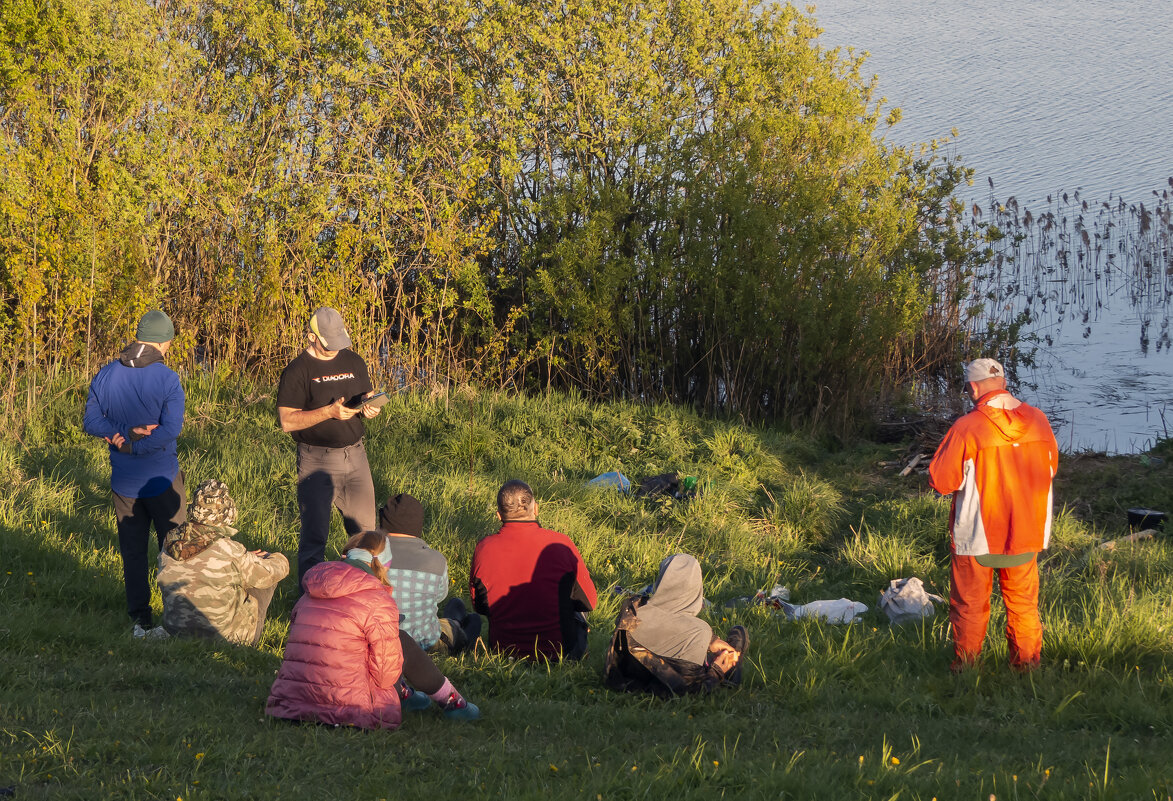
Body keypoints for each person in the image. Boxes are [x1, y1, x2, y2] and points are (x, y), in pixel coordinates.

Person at [266, 531, 479, 728]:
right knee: (400, 640)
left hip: (291, 704)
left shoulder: (309, 593)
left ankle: (406, 694)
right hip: (353, 711)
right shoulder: (377, 601)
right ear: (383, 566)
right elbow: (386, 674)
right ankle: (452, 702)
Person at [928, 358, 1059, 672]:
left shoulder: (967, 426)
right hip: (1027, 531)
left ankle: (967, 668)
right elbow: (1052, 469)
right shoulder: (1039, 420)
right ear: (1002, 381)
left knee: (970, 604)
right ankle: (1027, 666)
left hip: (977, 535)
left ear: (973, 388)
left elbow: (941, 481)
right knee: (1023, 604)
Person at [83, 309, 186, 638]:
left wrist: (121, 435)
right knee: (174, 549)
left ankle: (140, 620)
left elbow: (91, 421)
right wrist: (136, 443)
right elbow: (171, 429)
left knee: (133, 552)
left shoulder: (106, 374)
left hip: (124, 483)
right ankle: (178, 616)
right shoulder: (168, 378)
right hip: (163, 479)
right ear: (164, 342)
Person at [275, 307, 383, 586]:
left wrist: (369, 407)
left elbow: (364, 396)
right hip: (316, 461)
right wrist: (328, 413)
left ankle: (368, 596)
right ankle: (307, 605)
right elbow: (287, 421)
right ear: (312, 337)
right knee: (314, 538)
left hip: (356, 455)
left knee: (367, 535)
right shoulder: (297, 371)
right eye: (328, 344)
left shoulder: (354, 360)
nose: (335, 350)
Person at [470, 479, 597, 661]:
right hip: (560, 652)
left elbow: (480, 606)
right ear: (535, 508)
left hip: (503, 651)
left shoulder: (483, 547)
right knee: (576, 599)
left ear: (499, 515)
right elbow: (589, 602)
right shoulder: (561, 543)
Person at [157, 479, 289, 645]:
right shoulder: (229, 550)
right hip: (225, 638)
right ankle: (247, 639)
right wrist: (276, 557)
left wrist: (245, 557)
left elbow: (202, 558)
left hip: (175, 631)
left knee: (241, 571)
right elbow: (271, 572)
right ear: (227, 511)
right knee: (264, 577)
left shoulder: (170, 542)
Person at [604, 553, 749, 696]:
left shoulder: (633, 612)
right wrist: (717, 671)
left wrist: (710, 640)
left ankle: (729, 664)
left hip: (628, 679)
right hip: (668, 685)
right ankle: (731, 669)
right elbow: (691, 690)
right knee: (738, 635)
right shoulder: (699, 630)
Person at [379, 493, 481, 655]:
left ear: (382, 524)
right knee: (472, 619)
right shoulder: (436, 560)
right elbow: (439, 596)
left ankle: (454, 622)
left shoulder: (368, 558)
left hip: (378, 639)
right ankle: (458, 631)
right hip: (424, 643)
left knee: (456, 606)